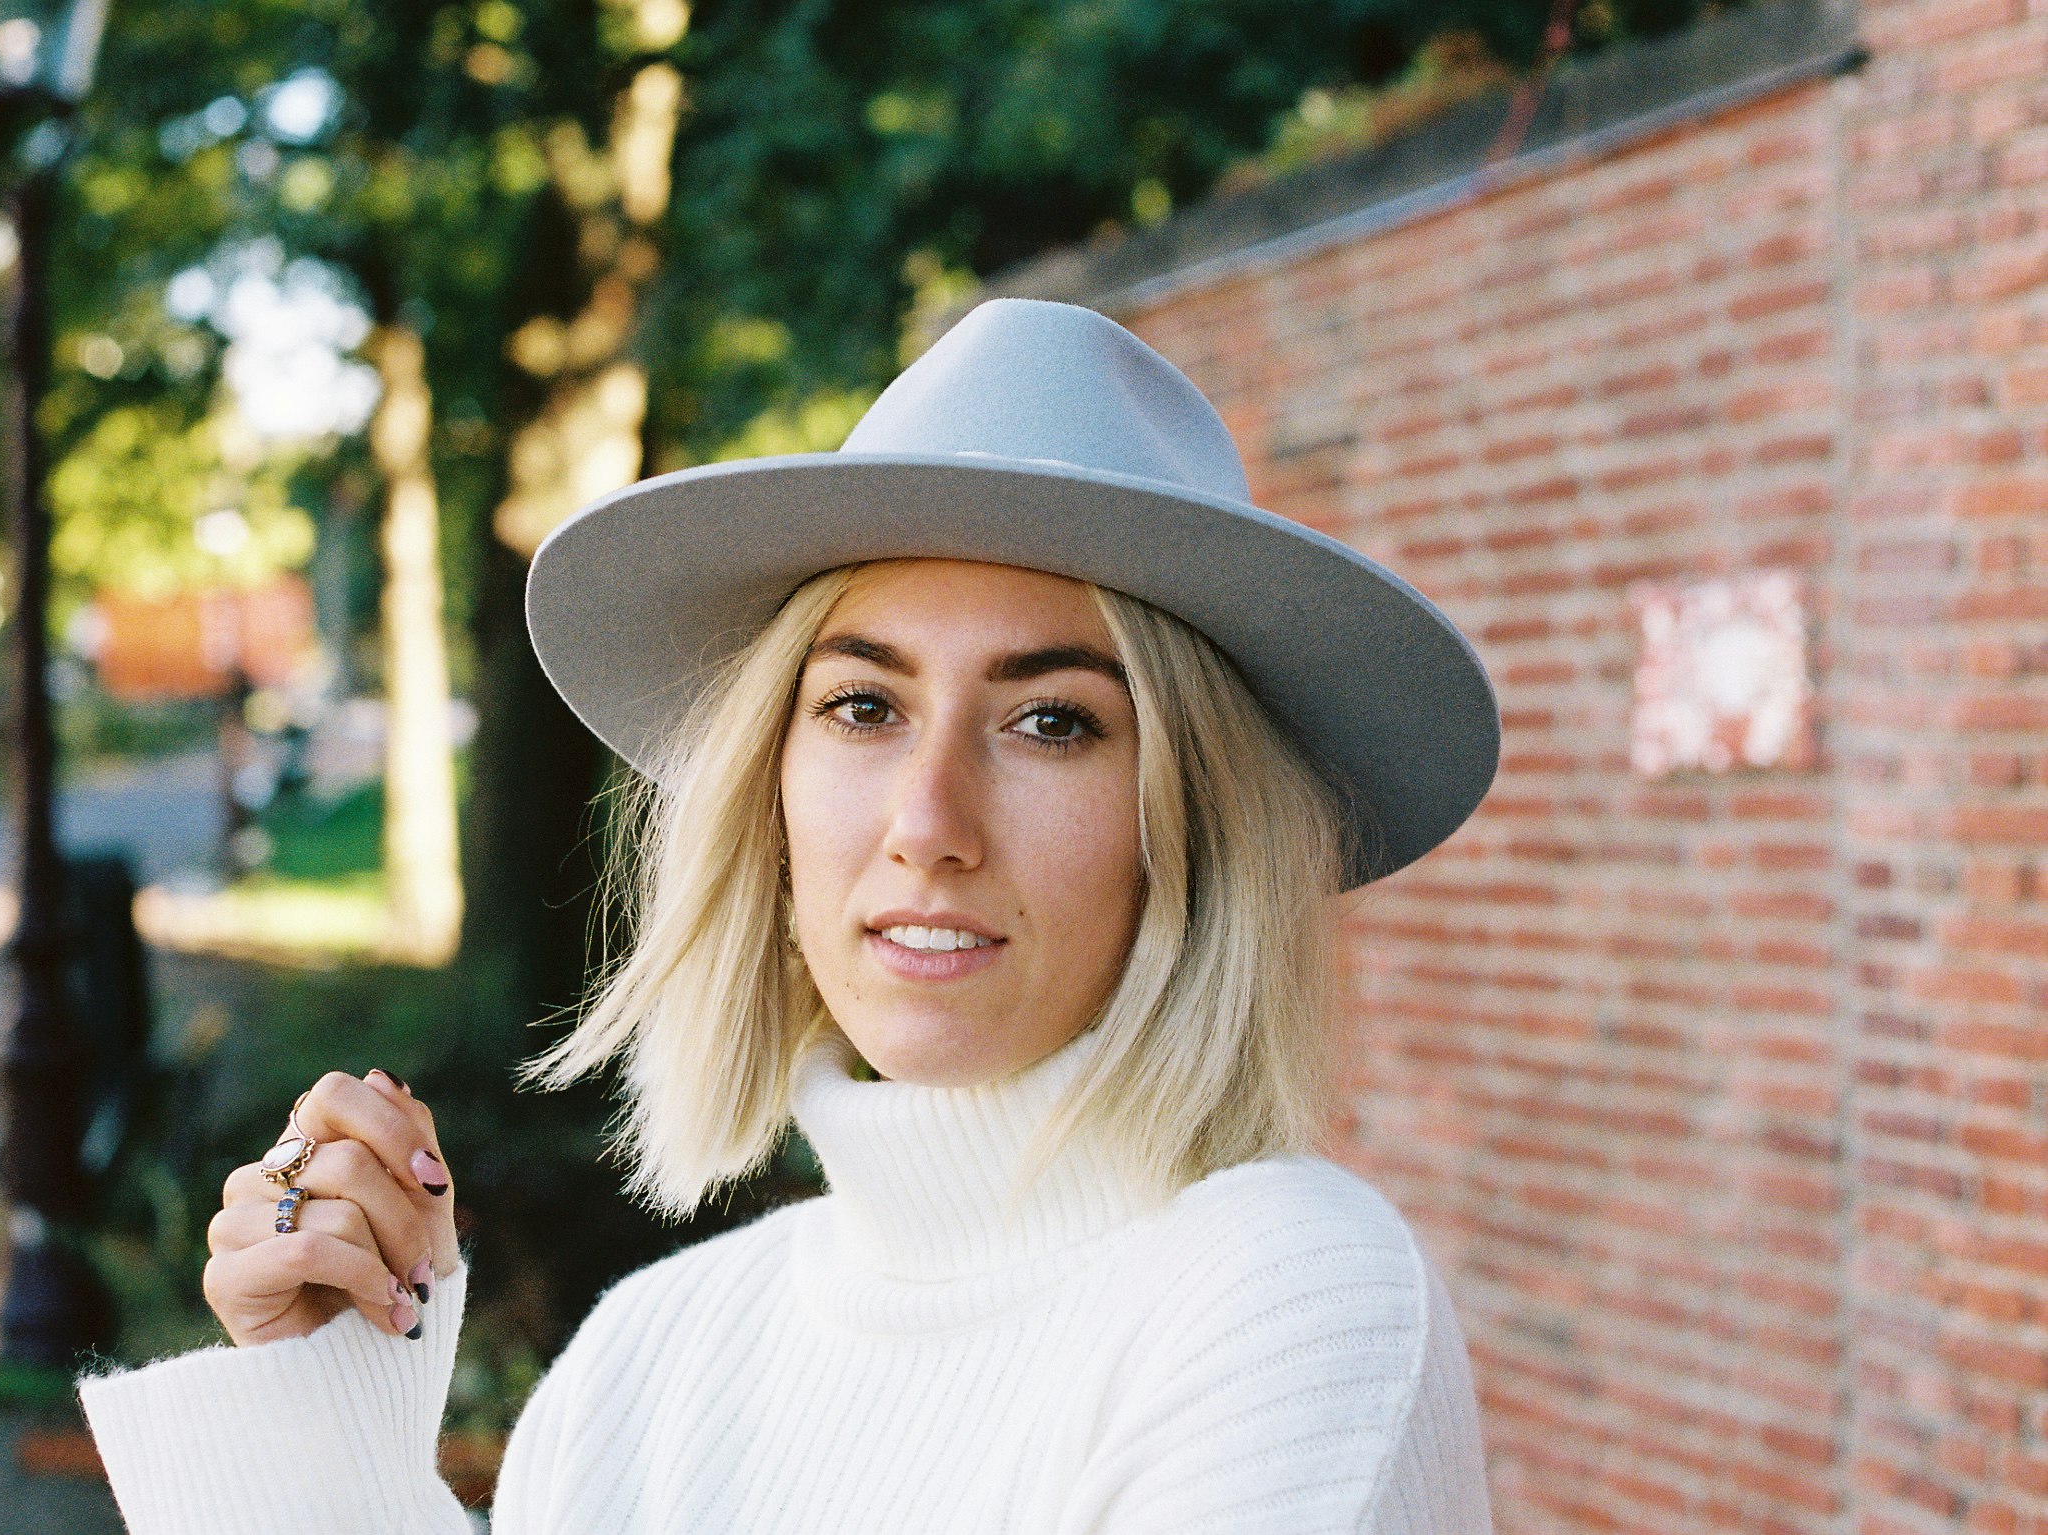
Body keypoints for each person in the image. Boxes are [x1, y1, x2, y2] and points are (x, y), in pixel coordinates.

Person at [75, 297, 1503, 1534]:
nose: (928, 824)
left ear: (1193, 820)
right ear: (768, 788)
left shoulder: (1281, 1299)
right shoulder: (650, 1358)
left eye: (1056, 721)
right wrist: (324, 1439)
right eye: (865, 707)